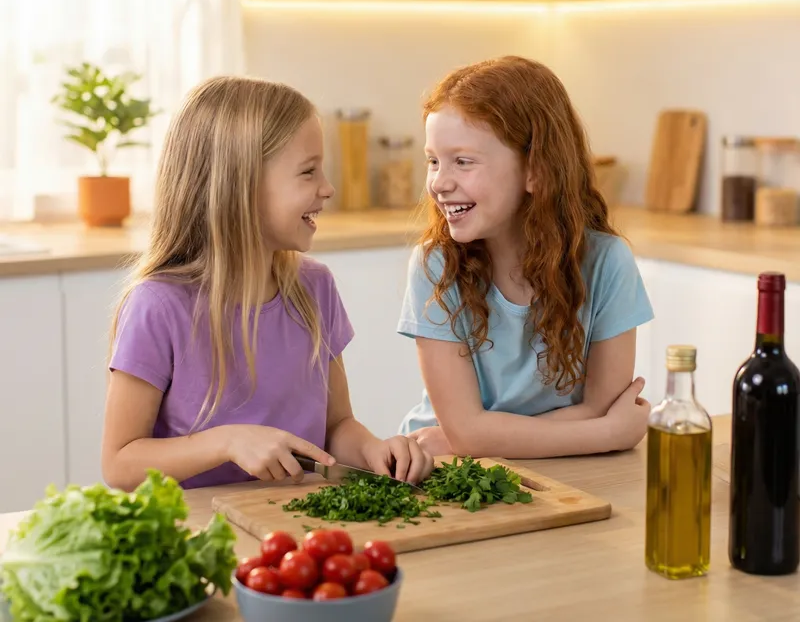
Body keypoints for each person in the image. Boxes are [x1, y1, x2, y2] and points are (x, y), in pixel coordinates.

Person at [101, 76, 432, 491]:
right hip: (200, 533)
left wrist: (373, 450)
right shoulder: (158, 305)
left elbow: (337, 426)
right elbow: (120, 463)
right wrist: (226, 441)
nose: (327, 189)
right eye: (308, 172)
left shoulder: (314, 289)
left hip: (295, 524)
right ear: (240, 186)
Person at [397, 56, 654, 459]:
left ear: (536, 171)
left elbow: (600, 406)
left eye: (462, 162)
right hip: (437, 468)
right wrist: (609, 434)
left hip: (560, 468)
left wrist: (476, 439)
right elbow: (467, 432)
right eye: (433, 161)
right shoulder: (436, 265)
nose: (439, 183)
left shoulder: (607, 262)